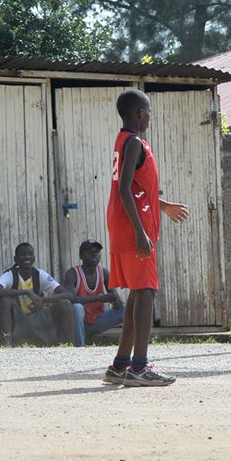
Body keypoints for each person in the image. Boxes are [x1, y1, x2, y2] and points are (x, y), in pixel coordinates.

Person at [103, 89, 190, 387]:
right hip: (133, 227)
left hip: (125, 222)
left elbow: (136, 188)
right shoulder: (134, 144)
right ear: (138, 113)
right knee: (147, 291)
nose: (150, 117)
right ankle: (139, 367)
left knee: (139, 292)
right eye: (149, 112)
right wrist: (141, 232)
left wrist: (163, 207)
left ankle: (120, 365)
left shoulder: (123, 141)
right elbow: (125, 188)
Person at [0, 242, 76, 346]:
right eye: (23, 254)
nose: (26, 257)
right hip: (17, 320)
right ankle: (7, 343)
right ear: (16, 259)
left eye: (30, 254)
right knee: (4, 300)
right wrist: (27, 292)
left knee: (65, 303)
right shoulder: (10, 275)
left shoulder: (39, 274)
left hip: (38, 318)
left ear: (34, 258)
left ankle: (69, 344)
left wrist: (43, 300)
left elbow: (69, 295)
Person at [61, 239, 124, 347]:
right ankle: (80, 346)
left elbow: (117, 302)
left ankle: (127, 344)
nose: (94, 253)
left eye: (97, 251)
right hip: (78, 322)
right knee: (77, 308)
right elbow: (70, 299)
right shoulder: (73, 273)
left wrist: (115, 299)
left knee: (127, 310)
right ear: (81, 255)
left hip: (97, 321)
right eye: (90, 251)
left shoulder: (104, 272)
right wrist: (98, 298)